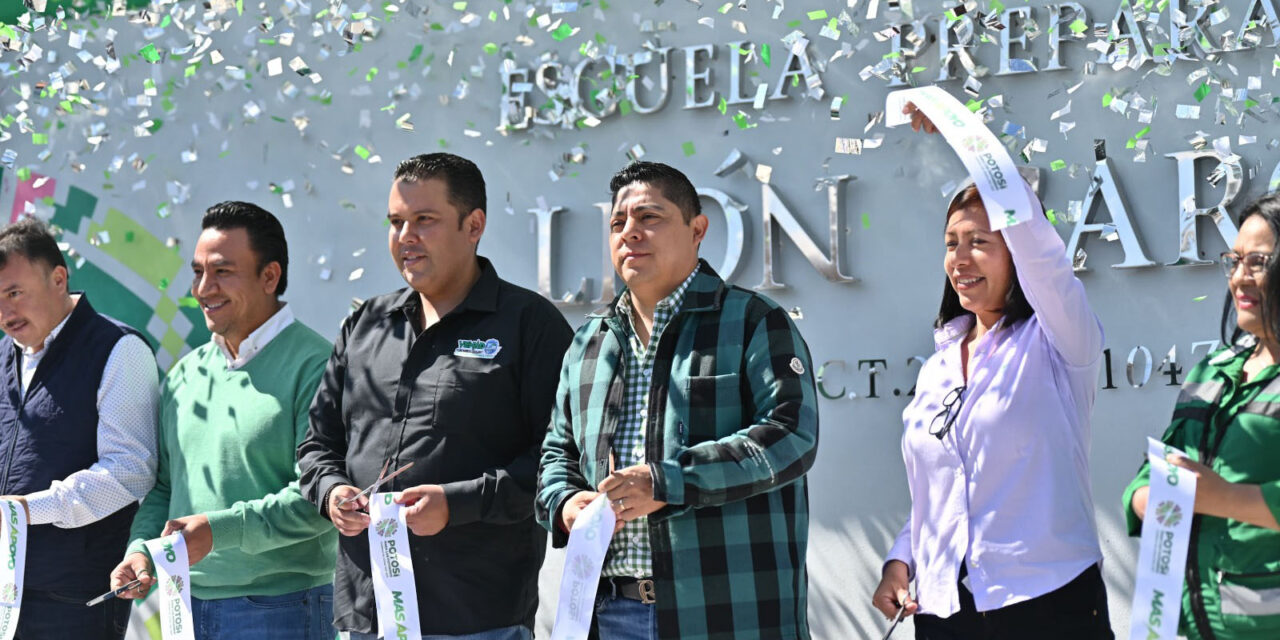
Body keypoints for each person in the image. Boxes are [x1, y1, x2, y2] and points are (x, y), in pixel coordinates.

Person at [536, 161, 820, 640]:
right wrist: (564, 503)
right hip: (609, 614)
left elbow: (791, 435)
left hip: (727, 613)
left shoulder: (753, 319)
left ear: (697, 229)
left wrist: (667, 482)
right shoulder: (589, 341)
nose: (630, 232)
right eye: (618, 222)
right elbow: (556, 453)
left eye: (649, 217)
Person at [297, 153, 573, 640]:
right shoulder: (365, 325)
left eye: (424, 220)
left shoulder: (530, 324)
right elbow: (318, 445)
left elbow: (559, 463)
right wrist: (332, 492)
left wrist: (456, 504)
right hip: (366, 616)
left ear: (474, 225)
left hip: (477, 618)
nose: (406, 236)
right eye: (396, 222)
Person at [870, 105, 1113, 639]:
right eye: (951, 243)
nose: (960, 258)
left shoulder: (1057, 339)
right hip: (944, 611)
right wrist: (901, 560)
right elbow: (942, 493)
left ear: (1015, 255)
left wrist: (964, 134)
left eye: (980, 242)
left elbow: (1039, 247)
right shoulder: (937, 367)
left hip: (1047, 602)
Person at [107, 201, 336, 639]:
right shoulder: (183, 375)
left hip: (281, 609)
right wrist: (140, 551)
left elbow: (320, 497)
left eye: (222, 272)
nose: (203, 288)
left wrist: (218, 531)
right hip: (180, 604)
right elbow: (166, 488)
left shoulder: (318, 365)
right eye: (198, 272)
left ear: (270, 276)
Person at [1122, 193, 1280, 640]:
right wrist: (1142, 496)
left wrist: (1222, 497)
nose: (1240, 277)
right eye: (1235, 261)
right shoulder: (1211, 370)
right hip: (1193, 626)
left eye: (1259, 263)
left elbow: (1209, 493)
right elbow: (1165, 461)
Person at [0, 217, 159, 639]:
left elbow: (130, 470)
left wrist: (25, 511)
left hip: (73, 601)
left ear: (58, 278)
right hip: (4, 594)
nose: (5, 314)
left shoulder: (119, 350)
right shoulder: (3, 356)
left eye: (14, 293)